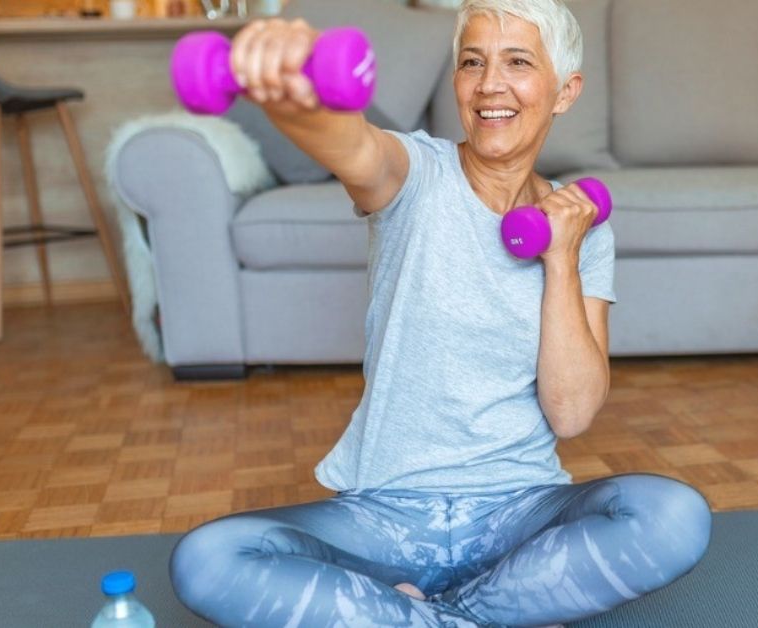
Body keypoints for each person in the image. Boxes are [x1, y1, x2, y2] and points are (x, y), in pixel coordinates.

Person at [169, 1, 711, 626]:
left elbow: (573, 412)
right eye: (472, 63)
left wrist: (561, 259)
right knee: (210, 559)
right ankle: (489, 613)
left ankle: (427, 616)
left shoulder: (580, 226)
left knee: (674, 515)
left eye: (518, 62)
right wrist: (290, 90)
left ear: (565, 91)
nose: (489, 85)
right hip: (382, 520)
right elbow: (350, 142)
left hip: (518, 516)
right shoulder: (414, 174)